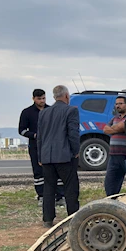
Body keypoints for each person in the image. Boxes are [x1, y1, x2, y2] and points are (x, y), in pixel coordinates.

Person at [36, 85, 80, 227]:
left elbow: (40, 137)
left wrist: (40, 157)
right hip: (64, 156)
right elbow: (72, 133)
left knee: (49, 188)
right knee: (70, 187)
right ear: (66, 96)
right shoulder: (71, 110)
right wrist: (76, 151)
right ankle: (73, 217)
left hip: (47, 156)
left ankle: (48, 219)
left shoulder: (44, 112)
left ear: (54, 96)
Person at [19, 89, 64, 205]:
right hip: (35, 147)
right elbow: (22, 130)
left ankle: (59, 196)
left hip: (51, 146)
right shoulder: (27, 112)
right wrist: (34, 135)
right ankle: (42, 196)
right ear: (33, 99)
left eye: (43, 98)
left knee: (56, 171)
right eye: (39, 99)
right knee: (38, 172)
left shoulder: (50, 110)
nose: (42, 101)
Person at [103, 96, 126, 195]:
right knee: (110, 182)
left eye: (120, 103)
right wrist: (116, 128)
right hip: (114, 155)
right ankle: (112, 202)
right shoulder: (115, 118)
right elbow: (105, 129)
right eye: (116, 104)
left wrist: (114, 129)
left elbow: (122, 127)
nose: (118, 106)